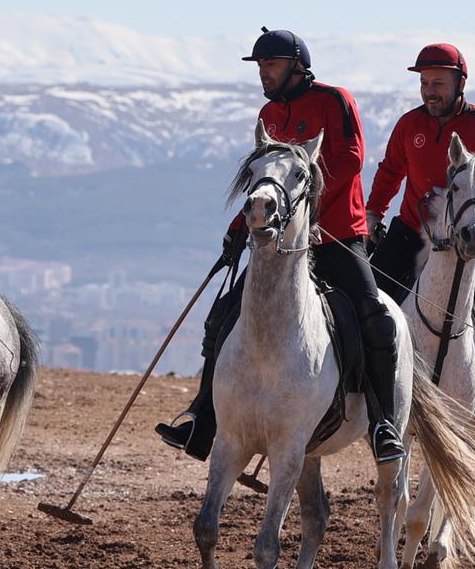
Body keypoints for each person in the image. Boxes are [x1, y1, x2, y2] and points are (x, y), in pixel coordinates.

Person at [156, 27, 405, 464]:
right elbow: (264, 181)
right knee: (222, 319)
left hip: (336, 236)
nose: (263, 74)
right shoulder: (269, 113)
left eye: (269, 65)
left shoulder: (335, 100)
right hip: (278, 245)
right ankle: (202, 419)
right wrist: (240, 225)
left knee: (376, 319)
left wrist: (298, 213)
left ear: (296, 65)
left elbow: (349, 160)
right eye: (260, 67)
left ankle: (384, 423)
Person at [366, 43, 475, 421]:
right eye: (424, 82)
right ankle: (357, 386)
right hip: (410, 231)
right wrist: (373, 212)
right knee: (364, 301)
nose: (430, 90)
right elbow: (390, 171)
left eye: (438, 82)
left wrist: (468, 201)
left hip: (468, 236)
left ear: (459, 83)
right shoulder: (409, 125)